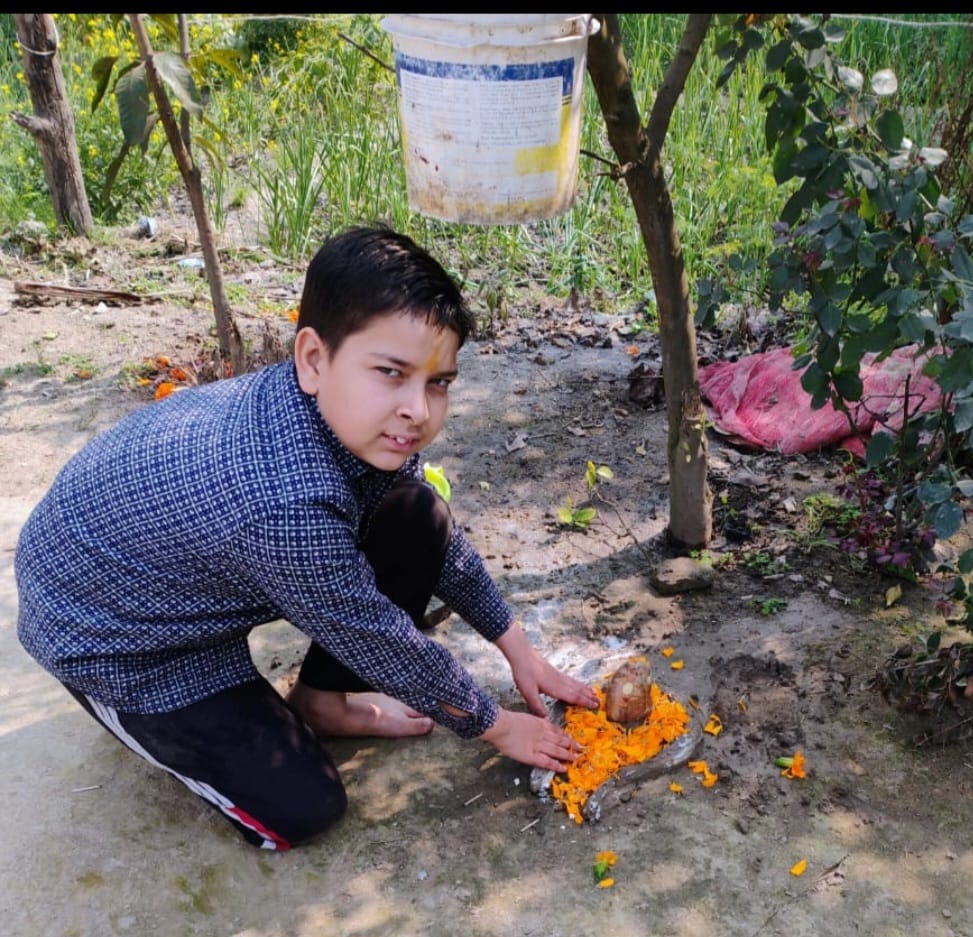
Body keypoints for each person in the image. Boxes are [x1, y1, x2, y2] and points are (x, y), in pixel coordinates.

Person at [15, 224, 598, 850]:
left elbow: (438, 546)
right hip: (116, 637)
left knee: (416, 514)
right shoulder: (286, 503)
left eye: (438, 382)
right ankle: (133, 706)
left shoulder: (353, 420)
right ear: (313, 358)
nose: (419, 410)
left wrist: (518, 649)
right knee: (303, 808)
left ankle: (321, 701)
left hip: (174, 569)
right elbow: (377, 637)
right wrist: (494, 725)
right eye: (392, 373)